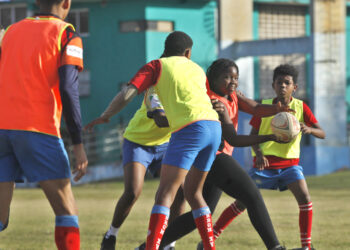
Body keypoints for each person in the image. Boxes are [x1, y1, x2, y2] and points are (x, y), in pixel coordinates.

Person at [136, 58, 292, 250]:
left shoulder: (231, 95)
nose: (233, 81)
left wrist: (278, 108)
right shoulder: (213, 102)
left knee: (202, 214)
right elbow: (233, 139)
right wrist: (270, 137)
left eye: (235, 77)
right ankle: (275, 247)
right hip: (214, 156)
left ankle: (146, 248)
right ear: (212, 80)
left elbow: (255, 108)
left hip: (209, 158)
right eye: (226, 77)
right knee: (252, 195)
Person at [86, 31, 222, 250]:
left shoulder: (156, 67)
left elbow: (128, 94)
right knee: (192, 193)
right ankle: (113, 234)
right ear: (188, 53)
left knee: (166, 194)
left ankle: (160, 245)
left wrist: (106, 116)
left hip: (186, 132)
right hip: (211, 128)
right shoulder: (196, 68)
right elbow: (206, 99)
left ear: (165, 50)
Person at [0, 0, 88, 249]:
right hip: (38, 130)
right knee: (66, 209)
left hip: (2, 129)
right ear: (66, 3)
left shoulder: (11, 32)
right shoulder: (67, 34)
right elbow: (69, 89)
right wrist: (78, 143)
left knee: (0, 218)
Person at [211, 64, 325, 250]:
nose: (282, 86)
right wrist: (260, 154)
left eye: (287, 83)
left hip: (290, 166)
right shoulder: (264, 108)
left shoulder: (300, 107)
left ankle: (306, 247)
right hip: (264, 167)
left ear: (294, 88)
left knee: (305, 198)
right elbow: (253, 136)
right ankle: (211, 236)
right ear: (273, 85)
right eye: (279, 82)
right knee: (242, 202)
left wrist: (309, 129)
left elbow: (322, 133)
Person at [86, 87, 185, 250]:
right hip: (138, 142)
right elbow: (160, 119)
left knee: (180, 191)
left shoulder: (186, 89)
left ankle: (168, 244)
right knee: (133, 191)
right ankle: (111, 234)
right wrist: (187, 118)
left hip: (165, 145)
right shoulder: (155, 90)